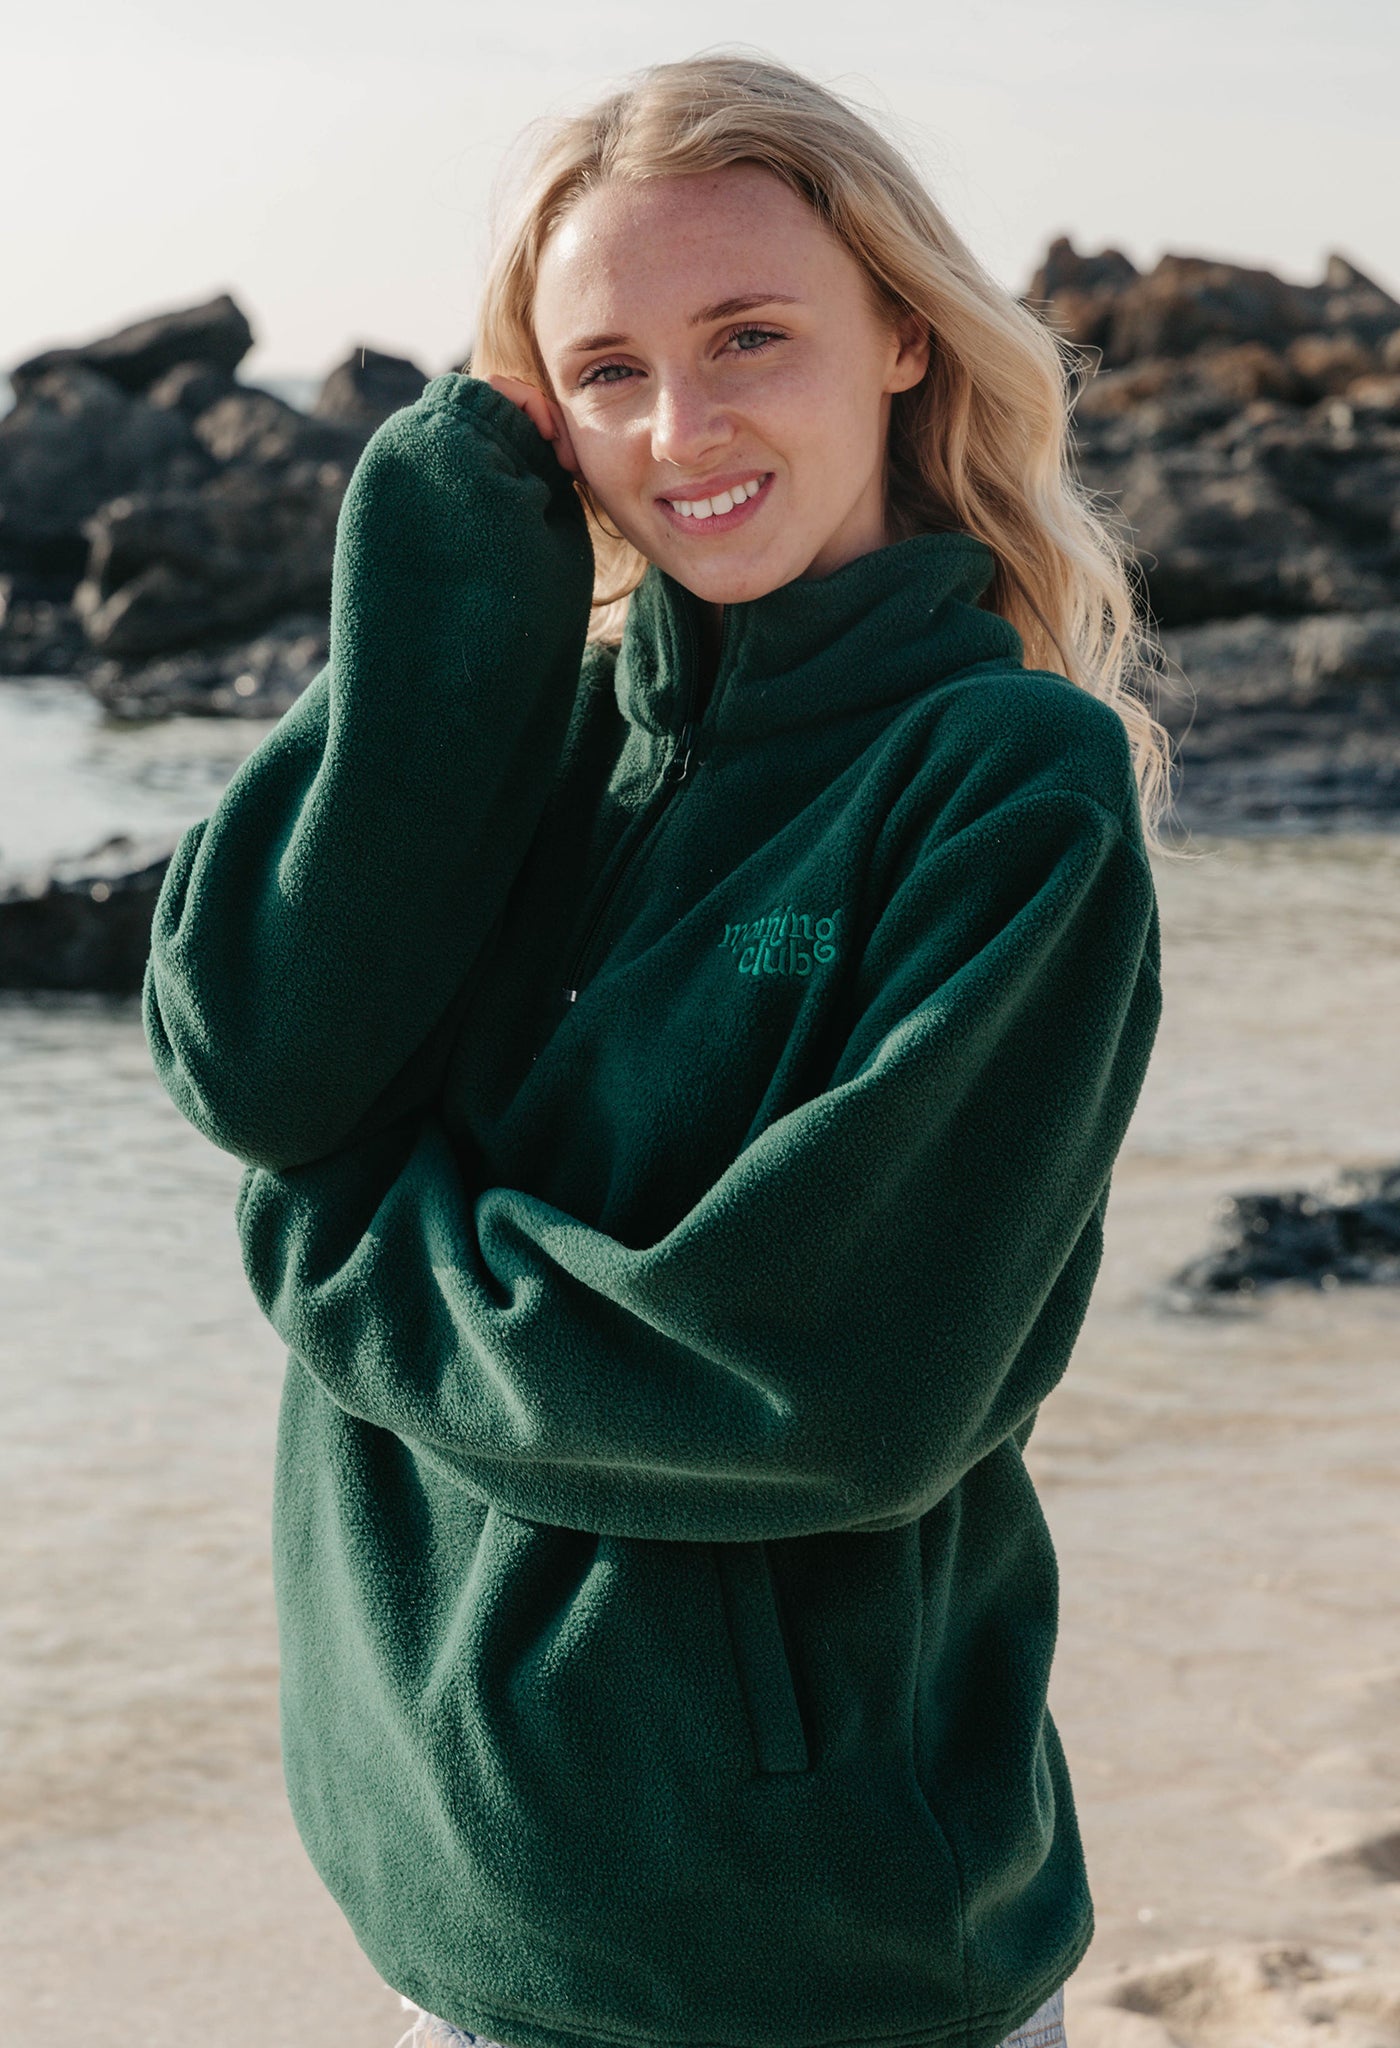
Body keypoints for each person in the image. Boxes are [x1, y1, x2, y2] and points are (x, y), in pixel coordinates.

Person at [143, 50, 1173, 2048]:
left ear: (900, 335)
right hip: (451, 1928)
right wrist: (452, 576)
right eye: (604, 370)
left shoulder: (1003, 785)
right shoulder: (528, 735)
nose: (680, 428)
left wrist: (343, 1248)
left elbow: (824, 1381)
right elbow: (249, 1059)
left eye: (749, 336)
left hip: (806, 1970)